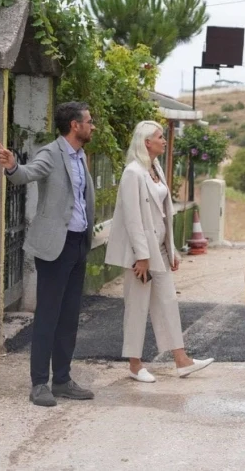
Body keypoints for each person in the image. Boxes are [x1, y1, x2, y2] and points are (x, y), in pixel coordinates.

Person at [0, 101, 97, 407]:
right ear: (74, 125)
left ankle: (63, 380)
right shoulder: (51, 153)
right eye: (89, 121)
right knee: (48, 316)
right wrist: (12, 166)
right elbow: (27, 174)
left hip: (79, 242)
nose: (93, 126)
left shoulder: (81, 156)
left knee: (68, 317)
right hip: (56, 245)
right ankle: (39, 383)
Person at [104, 120, 214, 383]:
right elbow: (132, 219)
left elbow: (165, 214)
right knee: (137, 307)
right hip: (141, 255)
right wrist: (141, 257)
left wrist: (172, 249)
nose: (165, 141)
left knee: (167, 303)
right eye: (160, 137)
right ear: (146, 142)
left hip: (160, 251)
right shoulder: (132, 173)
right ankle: (134, 364)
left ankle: (181, 360)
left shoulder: (154, 169)